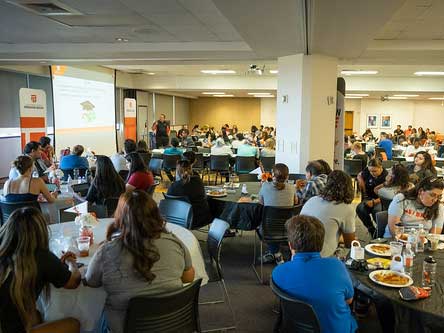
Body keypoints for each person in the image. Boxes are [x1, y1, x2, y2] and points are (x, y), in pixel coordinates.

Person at [85, 191, 195, 333]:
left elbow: (91, 281)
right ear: (155, 214)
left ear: (120, 217)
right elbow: (188, 277)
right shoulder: (174, 242)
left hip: (124, 328)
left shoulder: (107, 251)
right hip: (173, 324)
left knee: (89, 323)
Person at [0, 207, 81, 333]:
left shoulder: (3, 251)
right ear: (41, 231)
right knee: (73, 324)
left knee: (36, 315)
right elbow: (73, 281)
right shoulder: (41, 257)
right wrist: (71, 262)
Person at [272, 215, 357, 333]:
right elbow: (349, 300)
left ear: (290, 245)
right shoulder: (337, 266)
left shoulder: (278, 272)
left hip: (294, 328)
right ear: (322, 244)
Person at [301, 170, 356, 257]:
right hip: (323, 256)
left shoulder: (312, 200)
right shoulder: (347, 209)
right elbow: (350, 244)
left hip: (300, 252)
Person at [258, 163, 297, 263]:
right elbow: (295, 203)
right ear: (287, 177)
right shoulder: (292, 188)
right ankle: (276, 253)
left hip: (268, 230)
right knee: (277, 222)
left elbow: (261, 205)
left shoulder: (265, 187)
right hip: (288, 229)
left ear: (272, 175)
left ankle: (275, 253)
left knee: (265, 222)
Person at [167, 160, 212, 228]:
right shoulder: (198, 181)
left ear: (177, 171)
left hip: (177, 219)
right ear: (191, 169)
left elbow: (169, 204)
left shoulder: (173, 187)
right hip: (200, 219)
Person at [356, 158, 388, 237]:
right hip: (369, 197)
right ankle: (371, 229)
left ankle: (380, 231)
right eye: (370, 171)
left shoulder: (386, 176)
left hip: (382, 199)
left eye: (374, 171)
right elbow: (360, 175)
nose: (372, 173)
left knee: (376, 212)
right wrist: (361, 182)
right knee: (360, 209)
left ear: (380, 167)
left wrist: (374, 202)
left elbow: (388, 195)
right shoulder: (368, 170)